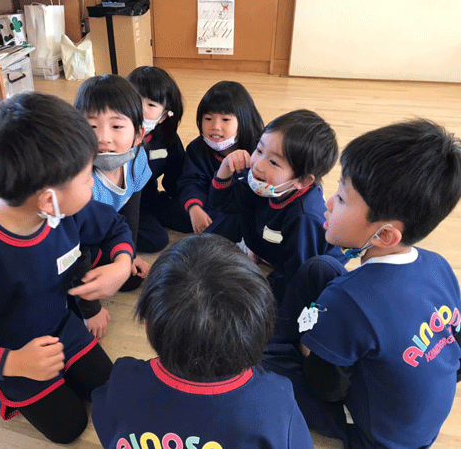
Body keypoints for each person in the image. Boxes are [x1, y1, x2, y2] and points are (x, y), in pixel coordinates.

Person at [0, 93, 135, 444]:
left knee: (111, 391)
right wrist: (12, 363)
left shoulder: (66, 210)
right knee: (70, 427)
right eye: (87, 177)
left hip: (60, 326)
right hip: (11, 350)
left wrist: (122, 265)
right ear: (49, 199)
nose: (93, 183)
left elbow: (114, 227)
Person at [262, 119, 461, 448]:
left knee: (265, 367)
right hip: (411, 425)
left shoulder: (348, 300)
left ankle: (276, 346)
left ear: (384, 235)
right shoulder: (438, 265)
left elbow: (327, 388)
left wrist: (311, 346)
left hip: (373, 437)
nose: (327, 204)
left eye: (341, 198)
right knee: (322, 268)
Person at [91, 233, 314, 449]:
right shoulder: (275, 402)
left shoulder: (124, 380)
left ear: (148, 326)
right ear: (261, 329)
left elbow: (107, 428)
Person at [209, 109, 348, 306]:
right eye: (259, 150)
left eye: (273, 162)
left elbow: (296, 275)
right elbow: (221, 204)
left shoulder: (304, 217)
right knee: (228, 217)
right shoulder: (264, 182)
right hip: (272, 245)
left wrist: (261, 289)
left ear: (302, 181)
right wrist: (224, 169)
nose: (258, 165)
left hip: (302, 261)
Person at [73, 74, 152, 338]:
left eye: (117, 126)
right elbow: (76, 250)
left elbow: (131, 208)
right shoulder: (79, 181)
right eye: (91, 126)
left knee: (130, 279)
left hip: (105, 230)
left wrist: (128, 253)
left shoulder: (137, 157)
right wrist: (91, 309)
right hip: (70, 248)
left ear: (139, 134)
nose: (103, 138)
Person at [177, 80, 263, 243]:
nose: (215, 126)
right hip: (211, 208)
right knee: (181, 213)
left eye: (225, 119)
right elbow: (191, 181)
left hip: (245, 211)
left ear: (244, 121)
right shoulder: (196, 149)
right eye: (208, 118)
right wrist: (194, 208)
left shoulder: (257, 149)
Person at [126, 66, 191, 252]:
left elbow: (176, 173)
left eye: (151, 105)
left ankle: (149, 218)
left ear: (163, 116)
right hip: (123, 205)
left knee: (189, 220)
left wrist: (182, 201)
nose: (140, 109)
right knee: (157, 240)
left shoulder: (166, 139)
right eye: (135, 99)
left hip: (149, 198)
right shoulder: (117, 137)